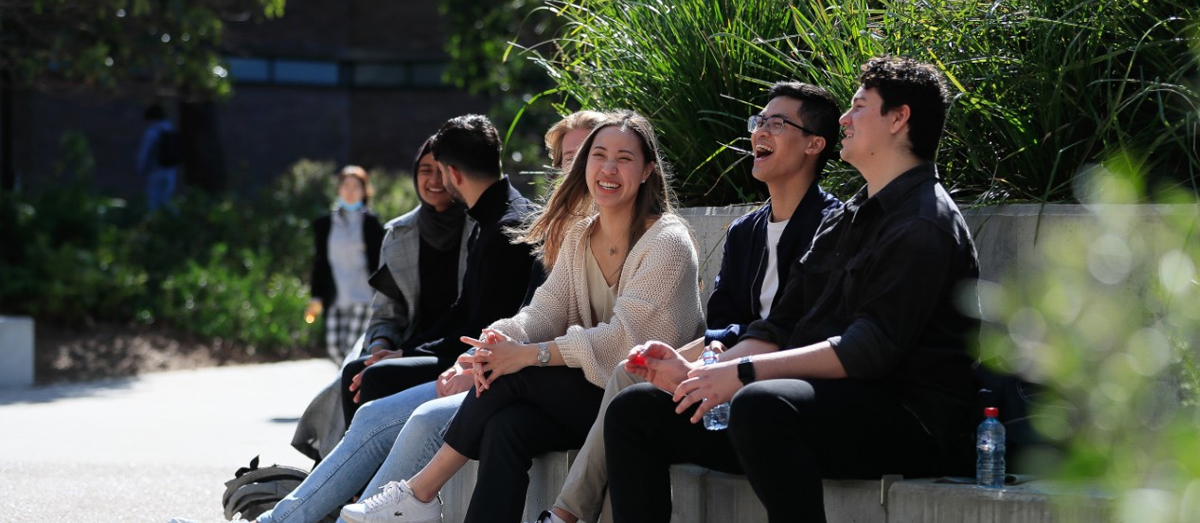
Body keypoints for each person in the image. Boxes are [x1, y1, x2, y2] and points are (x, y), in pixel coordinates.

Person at [603, 56, 980, 523]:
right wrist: (704, 372)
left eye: (860, 106)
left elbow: (870, 350)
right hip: (820, 406)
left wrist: (742, 374)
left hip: (910, 421)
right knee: (636, 412)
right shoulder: (850, 216)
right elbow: (781, 323)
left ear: (899, 119)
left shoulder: (926, 223)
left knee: (763, 406)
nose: (845, 117)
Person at [338, 110, 707, 523]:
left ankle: (420, 491)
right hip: (590, 395)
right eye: (598, 155)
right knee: (507, 426)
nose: (608, 168)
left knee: (516, 376)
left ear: (647, 172)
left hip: (646, 402)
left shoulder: (668, 241)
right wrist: (495, 342)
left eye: (624, 158)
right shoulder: (581, 235)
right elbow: (543, 311)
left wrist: (529, 356)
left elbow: (627, 343)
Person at [168, 115, 540, 523]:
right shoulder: (487, 218)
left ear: (452, 172)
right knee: (370, 410)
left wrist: (445, 361)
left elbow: (485, 325)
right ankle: (280, 521)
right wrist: (400, 351)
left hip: (488, 373)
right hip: (472, 362)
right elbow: (463, 314)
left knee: (390, 402)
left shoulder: (505, 226)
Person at [531, 82, 844, 523]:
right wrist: (712, 353)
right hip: (727, 369)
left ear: (815, 144)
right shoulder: (745, 231)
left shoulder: (833, 227)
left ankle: (565, 515)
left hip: (779, 388)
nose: (760, 133)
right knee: (631, 383)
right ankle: (566, 514)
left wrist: (717, 360)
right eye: (759, 122)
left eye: (777, 124)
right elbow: (723, 318)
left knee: (626, 389)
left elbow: (808, 327)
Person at [291, 136, 472, 463]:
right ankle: (348, 481)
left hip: (453, 346)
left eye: (441, 170)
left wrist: (398, 353)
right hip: (405, 341)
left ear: (457, 174)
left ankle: (365, 481)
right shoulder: (400, 233)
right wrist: (380, 345)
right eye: (424, 170)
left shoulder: (477, 228)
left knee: (373, 376)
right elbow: (387, 311)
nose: (433, 181)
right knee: (355, 371)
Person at [309, 165, 386, 362]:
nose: (350, 191)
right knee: (335, 348)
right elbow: (320, 262)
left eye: (356, 186)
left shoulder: (371, 223)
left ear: (364, 191)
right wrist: (316, 296)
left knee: (352, 350)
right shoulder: (325, 224)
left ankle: (347, 389)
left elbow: (381, 260)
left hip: (364, 296)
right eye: (346, 186)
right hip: (335, 296)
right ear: (339, 189)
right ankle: (346, 386)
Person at [137, 103, 180, 213]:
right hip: (170, 171)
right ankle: (176, 223)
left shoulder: (152, 132)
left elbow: (144, 153)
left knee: (153, 202)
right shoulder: (170, 129)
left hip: (156, 170)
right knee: (168, 200)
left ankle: (153, 226)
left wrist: (141, 170)